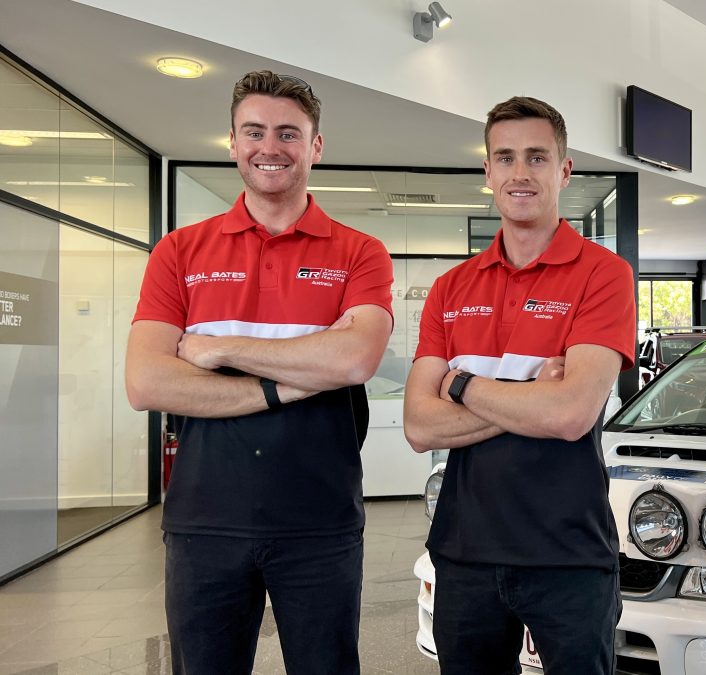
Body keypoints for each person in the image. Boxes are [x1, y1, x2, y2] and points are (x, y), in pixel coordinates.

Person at [125, 70, 393, 674]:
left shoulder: (358, 251)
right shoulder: (180, 251)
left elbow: (354, 359)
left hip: (320, 520)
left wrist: (219, 349)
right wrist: (287, 383)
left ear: (315, 146)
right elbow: (147, 382)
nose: (269, 147)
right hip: (203, 521)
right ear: (233, 142)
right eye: (255, 131)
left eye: (288, 134)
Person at [404, 96, 635, 675]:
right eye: (504, 158)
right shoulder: (451, 287)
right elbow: (417, 426)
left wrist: (460, 385)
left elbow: (570, 415)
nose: (520, 172)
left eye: (537, 157)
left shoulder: (603, 274)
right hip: (464, 550)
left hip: (569, 552)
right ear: (488, 171)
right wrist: (532, 391)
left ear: (564, 169)